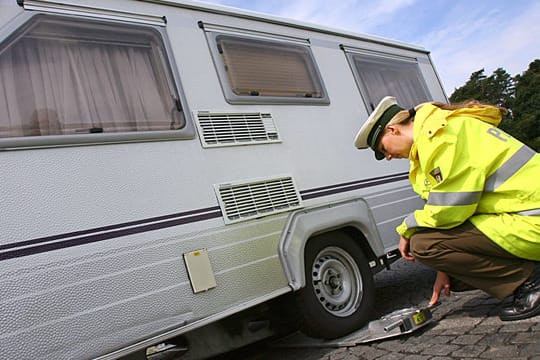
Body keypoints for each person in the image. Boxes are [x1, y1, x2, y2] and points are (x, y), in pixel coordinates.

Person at [354, 96, 540, 321]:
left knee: (423, 245)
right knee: (456, 275)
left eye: (384, 150)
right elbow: (456, 211)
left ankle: (533, 282)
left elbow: (451, 207)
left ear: (392, 130)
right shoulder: (438, 132)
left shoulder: (442, 137)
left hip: (532, 220)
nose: (389, 157)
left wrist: (407, 228)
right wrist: (445, 267)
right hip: (525, 215)